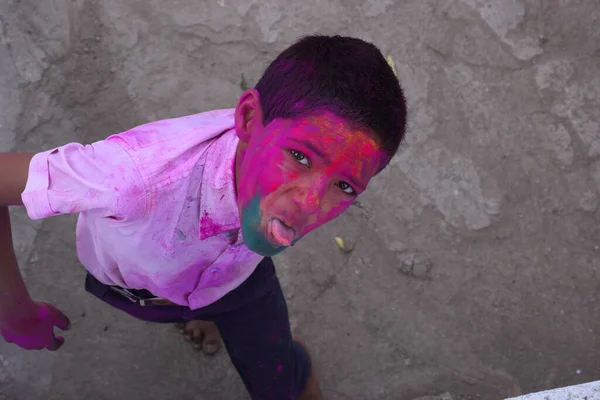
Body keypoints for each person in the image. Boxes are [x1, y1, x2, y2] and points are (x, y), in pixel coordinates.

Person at [0, 34, 407, 399]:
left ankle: (220, 320)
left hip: (241, 283)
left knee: (282, 382)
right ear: (248, 119)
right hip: (140, 288)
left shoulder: (274, 192)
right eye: (299, 157)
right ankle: (201, 314)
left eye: (346, 187)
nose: (310, 204)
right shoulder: (130, 177)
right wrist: (13, 309)